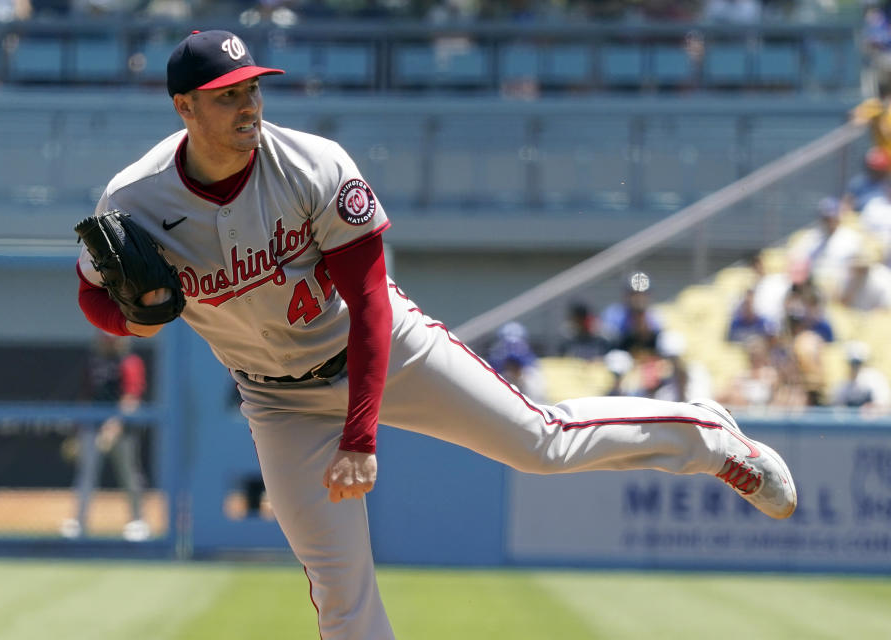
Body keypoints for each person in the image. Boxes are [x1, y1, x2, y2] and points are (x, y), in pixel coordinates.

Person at [73, 30, 797, 639]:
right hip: (276, 400)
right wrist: (130, 316)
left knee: (541, 443)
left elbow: (369, 300)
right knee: (339, 591)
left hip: (383, 352)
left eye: (252, 89)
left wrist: (360, 435)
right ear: (184, 108)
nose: (247, 105)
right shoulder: (135, 198)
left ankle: (709, 440)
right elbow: (93, 298)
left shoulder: (312, 167)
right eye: (228, 94)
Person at [61, 332, 150, 542]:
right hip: (92, 426)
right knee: (86, 475)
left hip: (122, 429)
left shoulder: (130, 362)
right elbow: (86, 396)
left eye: (113, 338)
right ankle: (80, 523)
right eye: (105, 338)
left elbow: (131, 398)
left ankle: (138, 522)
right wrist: (78, 429)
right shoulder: (92, 362)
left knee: (129, 474)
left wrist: (113, 427)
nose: (109, 342)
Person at [485, 322, 546, 403]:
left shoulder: (532, 375)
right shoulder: (498, 374)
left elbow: (537, 403)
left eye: (516, 366)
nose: (513, 368)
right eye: (511, 365)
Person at [831, 341, 891, 417]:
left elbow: (883, 405)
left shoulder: (876, 379)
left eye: (858, 363)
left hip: (874, 425)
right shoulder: (843, 385)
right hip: (852, 426)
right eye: (852, 363)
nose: (855, 367)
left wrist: (870, 409)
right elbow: (837, 410)